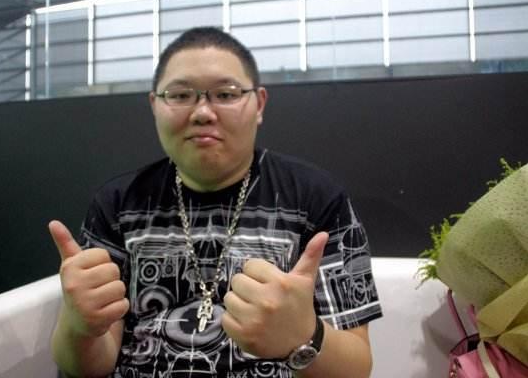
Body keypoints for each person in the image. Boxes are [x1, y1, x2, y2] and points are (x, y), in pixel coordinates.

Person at [49, 26, 382, 378]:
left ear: (259, 104)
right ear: (155, 105)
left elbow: (356, 369)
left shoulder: (316, 199)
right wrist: (79, 327)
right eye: (180, 95)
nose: (203, 112)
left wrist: (303, 337)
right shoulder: (118, 204)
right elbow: (88, 366)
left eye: (225, 94)